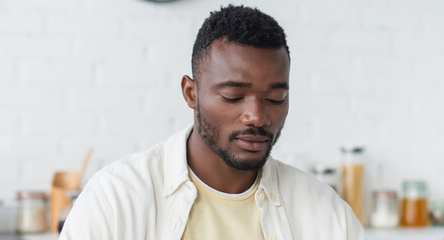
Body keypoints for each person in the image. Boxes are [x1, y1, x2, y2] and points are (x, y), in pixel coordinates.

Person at [60, 5, 365, 240]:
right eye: (233, 96)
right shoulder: (114, 200)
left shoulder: (326, 215)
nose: (257, 117)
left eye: (274, 99)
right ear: (191, 93)